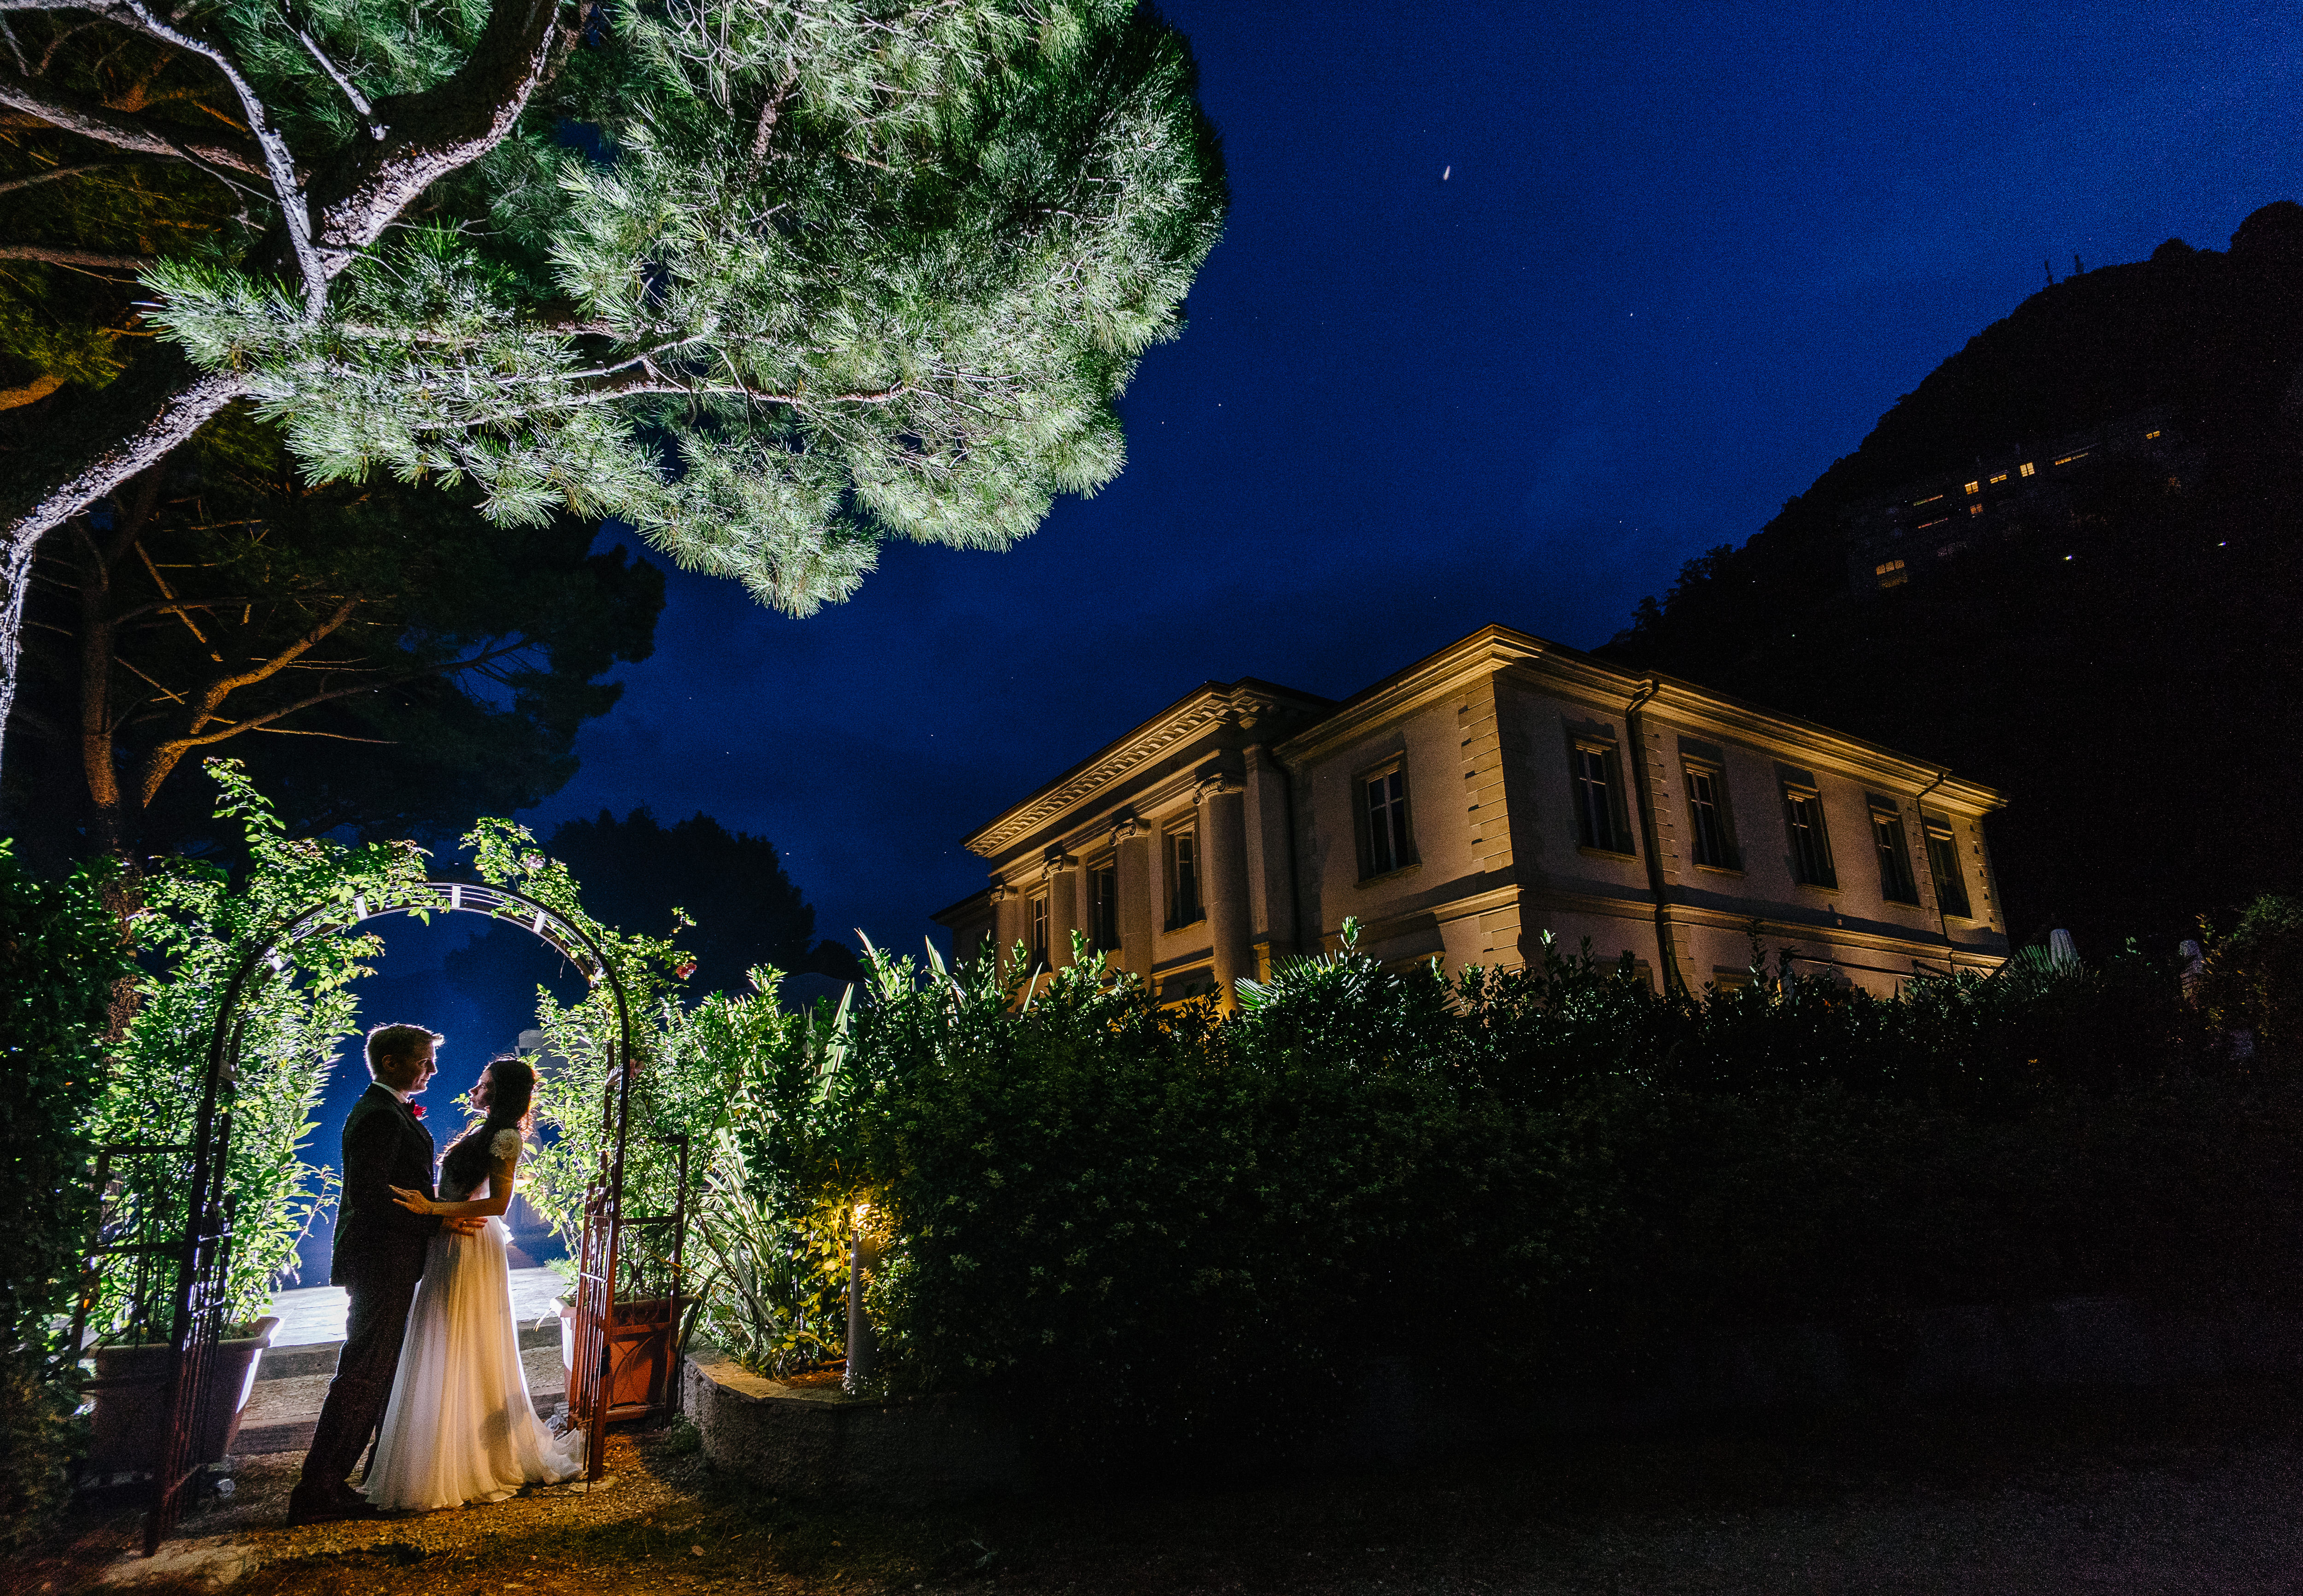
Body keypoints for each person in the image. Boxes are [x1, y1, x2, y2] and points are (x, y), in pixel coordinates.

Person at [364, 1053, 585, 1509]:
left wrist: (433, 1210)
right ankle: (446, 1448)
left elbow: (500, 1204)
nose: (474, 1090)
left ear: (500, 1093)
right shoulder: (480, 1132)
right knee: (443, 1338)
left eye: (483, 1085)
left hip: (472, 1243)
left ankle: (472, 1459)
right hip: (450, 1240)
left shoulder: (505, 1137)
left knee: (465, 1338)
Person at [288, 1023, 482, 1526]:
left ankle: (345, 1479)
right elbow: (371, 1198)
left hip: (390, 1257)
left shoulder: (386, 1109)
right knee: (364, 1373)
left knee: (376, 1370)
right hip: (381, 1258)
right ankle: (318, 1491)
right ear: (392, 1062)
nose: (433, 1070)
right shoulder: (378, 1115)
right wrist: (435, 1218)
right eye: (424, 1060)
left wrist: (437, 1215)